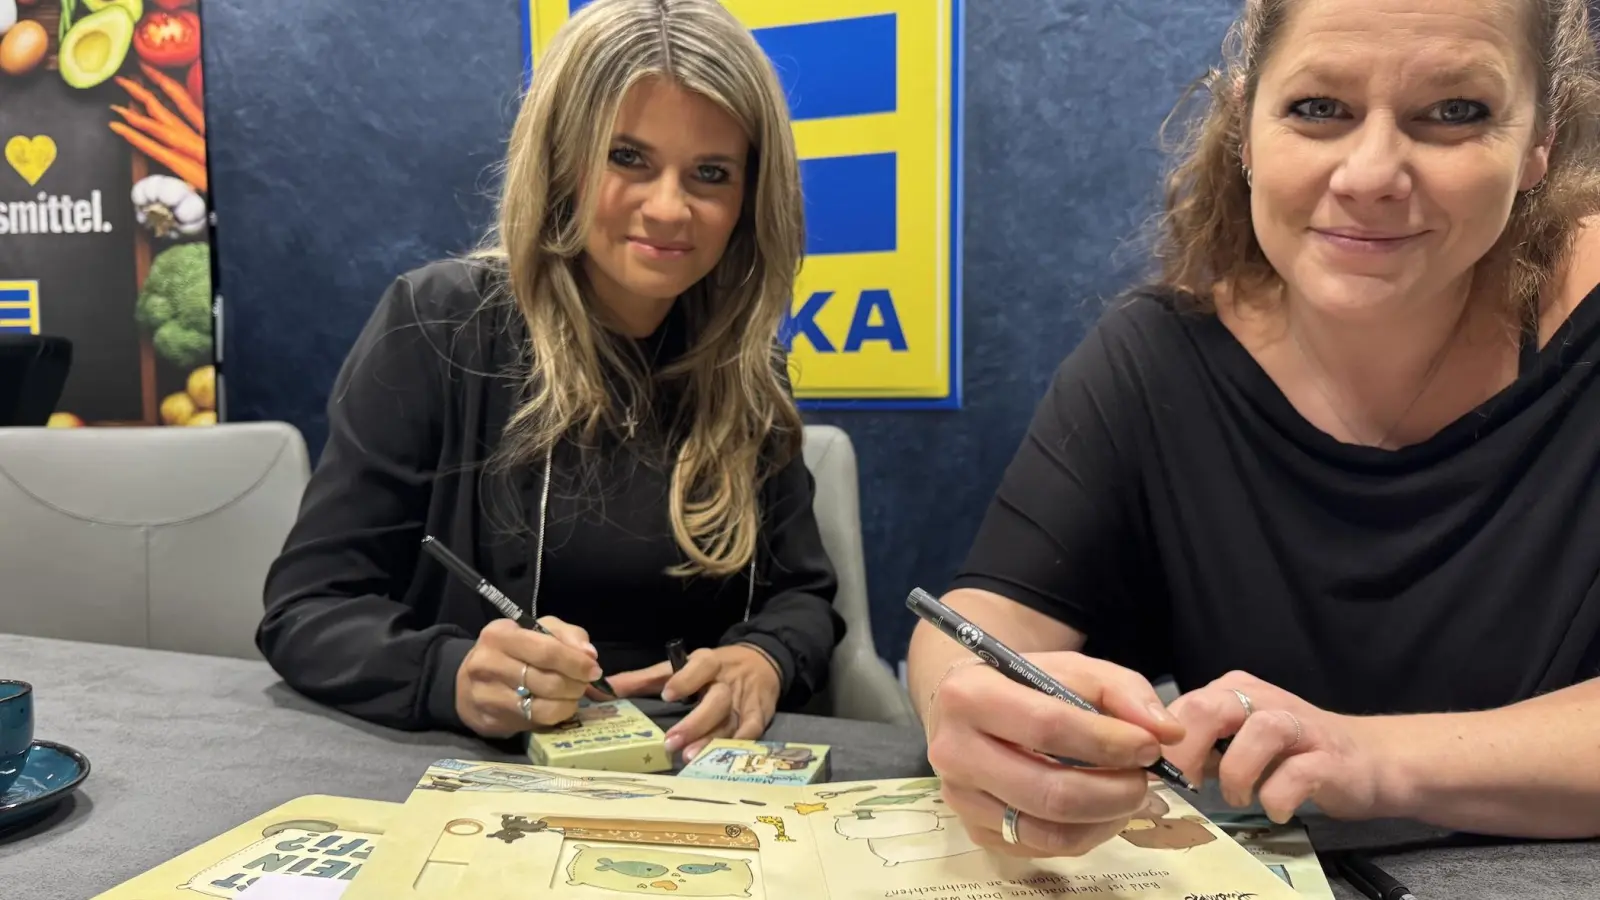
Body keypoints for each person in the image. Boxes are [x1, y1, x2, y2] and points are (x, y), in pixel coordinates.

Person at [909, 0, 1600, 859]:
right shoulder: (1157, 357)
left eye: (1456, 112)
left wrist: (1370, 759)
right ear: (1245, 126)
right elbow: (982, 615)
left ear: (1543, 138)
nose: (1371, 173)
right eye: (1318, 109)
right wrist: (973, 711)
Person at [258, 0, 842, 762]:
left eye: (710, 173)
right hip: (475, 780)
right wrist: (452, 674)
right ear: (564, 159)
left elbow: (802, 597)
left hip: (692, 783)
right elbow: (307, 610)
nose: (668, 207)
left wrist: (765, 657)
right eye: (627, 157)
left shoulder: (748, 365)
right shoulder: (438, 323)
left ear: (747, 198)